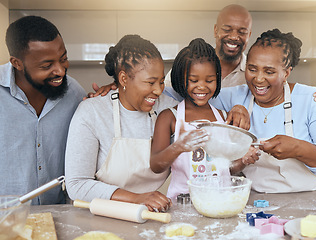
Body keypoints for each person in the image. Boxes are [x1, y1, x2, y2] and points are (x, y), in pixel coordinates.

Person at [65, 35, 178, 212]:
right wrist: (136, 199)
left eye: (161, 82)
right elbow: (77, 185)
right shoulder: (92, 112)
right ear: (124, 79)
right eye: (150, 82)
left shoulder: (169, 109)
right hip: (104, 216)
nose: (158, 90)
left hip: (158, 215)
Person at [216, 29, 316, 193]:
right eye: (252, 69)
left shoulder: (314, 99)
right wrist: (235, 108)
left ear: (286, 73)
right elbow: (190, 101)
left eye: (269, 72)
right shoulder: (232, 97)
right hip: (255, 203)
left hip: (311, 201)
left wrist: (297, 148)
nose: (259, 79)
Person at [163, 4, 316, 106]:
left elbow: (279, 87)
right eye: (227, 29)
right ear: (216, 30)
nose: (234, 37)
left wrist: (313, 94)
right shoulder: (190, 65)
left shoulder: (254, 75)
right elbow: (164, 96)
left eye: (242, 32)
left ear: (249, 35)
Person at [150, 38, 251, 200]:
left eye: (209, 80)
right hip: (184, 204)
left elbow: (227, 169)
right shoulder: (170, 117)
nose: (202, 86)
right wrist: (179, 146)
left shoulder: (224, 117)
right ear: (179, 79)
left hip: (222, 201)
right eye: (193, 80)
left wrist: (244, 160)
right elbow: (156, 165)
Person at [0, 16, 86, 205]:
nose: (61, 71)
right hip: (6, 219)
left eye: (63, 59)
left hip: (57, 215)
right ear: (17, 63)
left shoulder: (74, 93)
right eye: (47, 66)